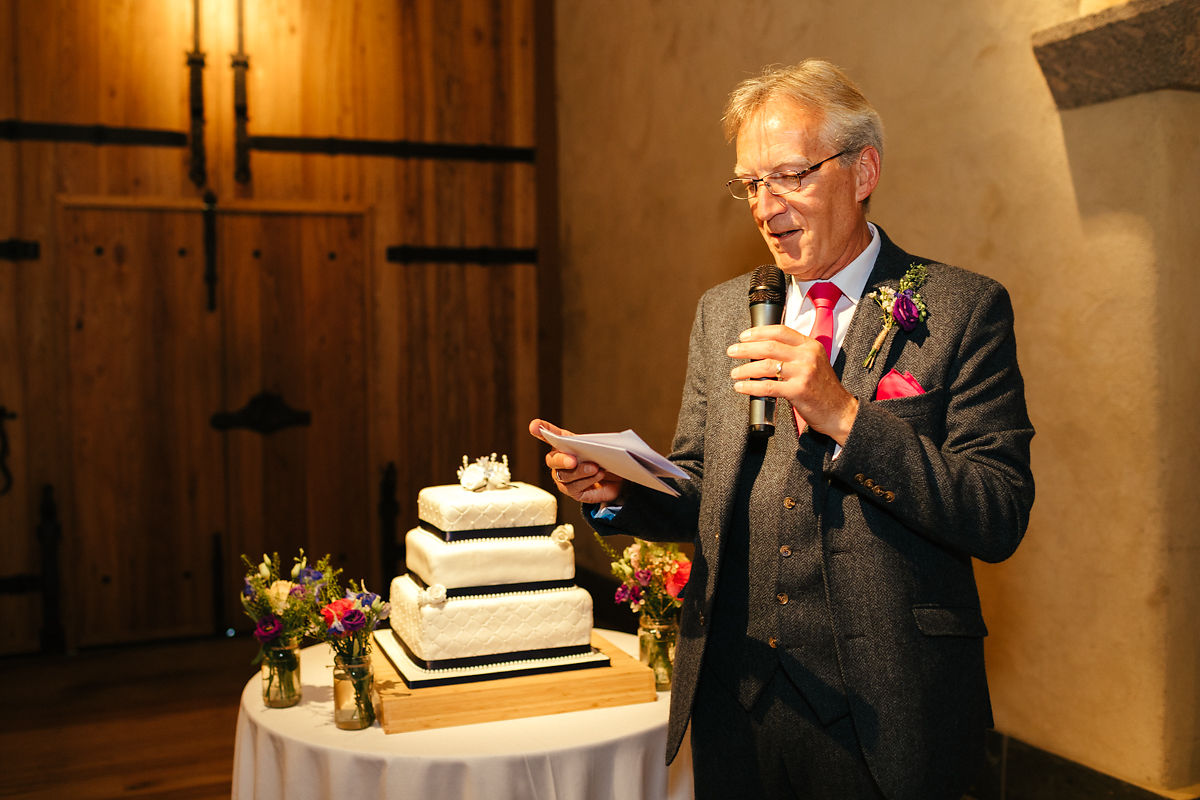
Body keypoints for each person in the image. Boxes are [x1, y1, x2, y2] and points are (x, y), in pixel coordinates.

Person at [530, 59, 1034, 800]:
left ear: (863, 170)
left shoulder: (960, 309)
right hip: (738, 701)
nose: (766, 208)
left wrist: (845, 415)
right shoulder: (726, 310)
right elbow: (696, 488)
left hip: (889, 711)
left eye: (790, 176)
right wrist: (614, 490)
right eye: (750, 184)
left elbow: (996, 513)